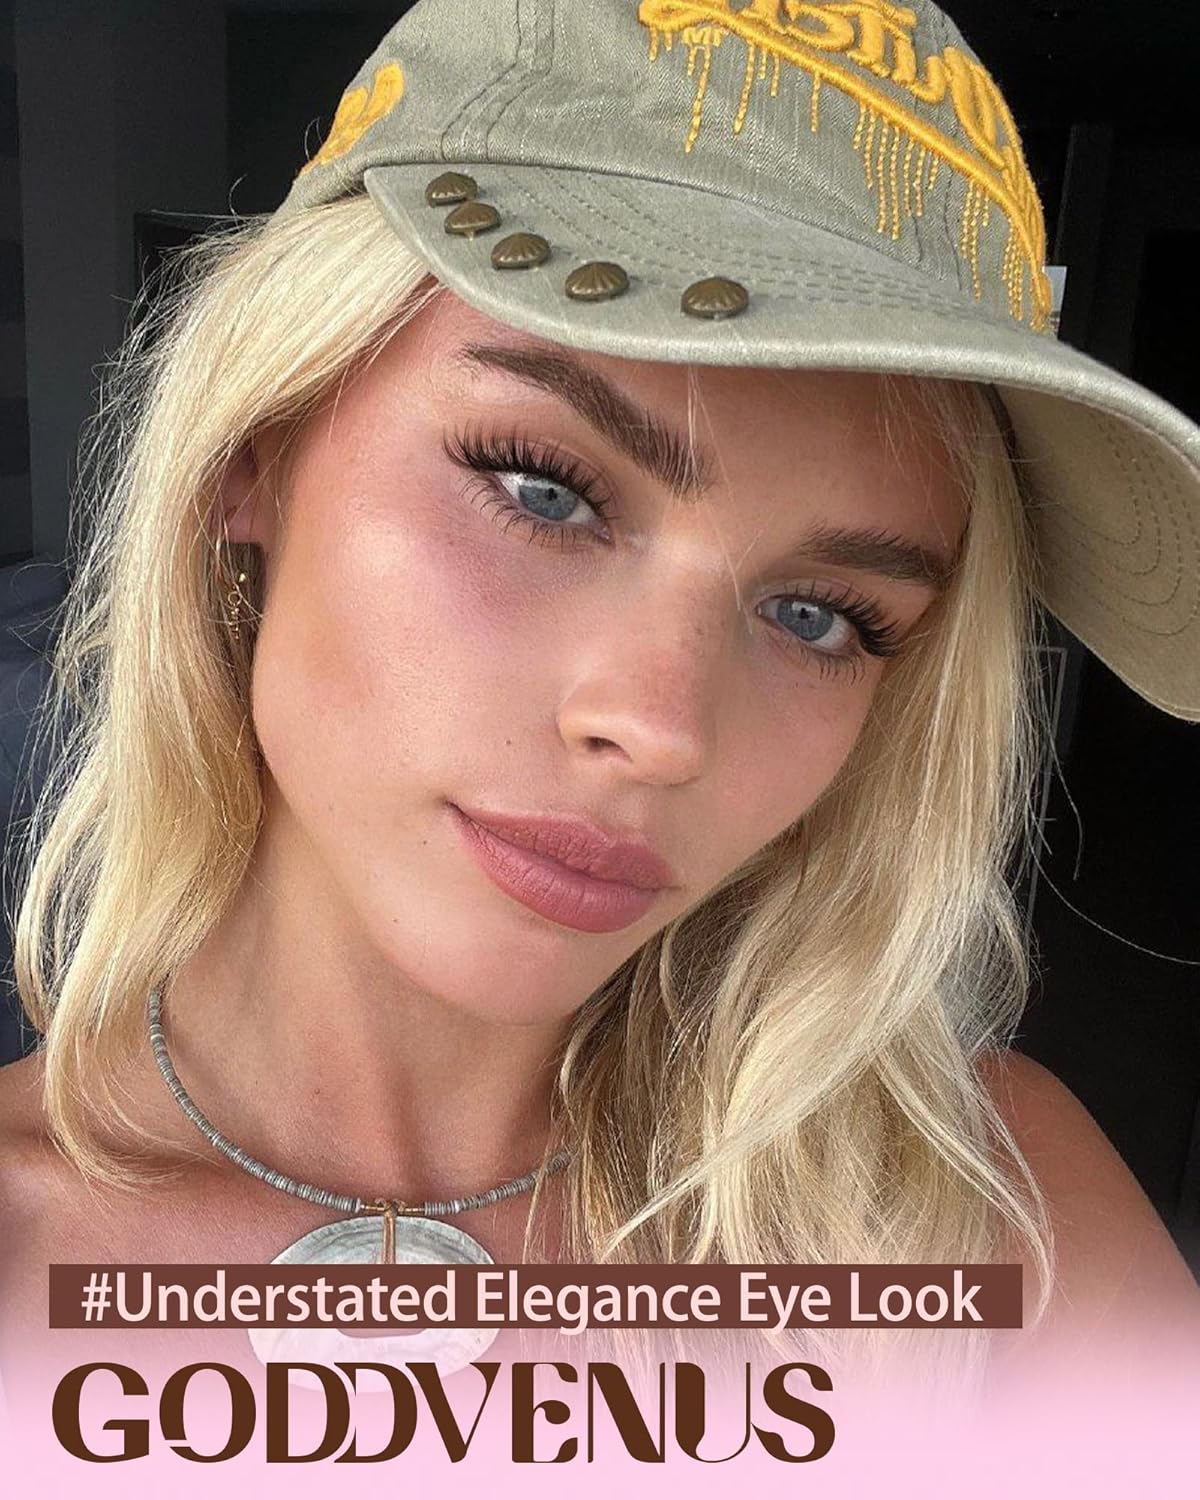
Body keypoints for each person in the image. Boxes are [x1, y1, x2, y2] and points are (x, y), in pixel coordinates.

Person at [1, 0, 1198, 1411]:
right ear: (254, 456)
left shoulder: (995, 1230)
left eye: (820, 616)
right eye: (543, 490)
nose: (664, 728)